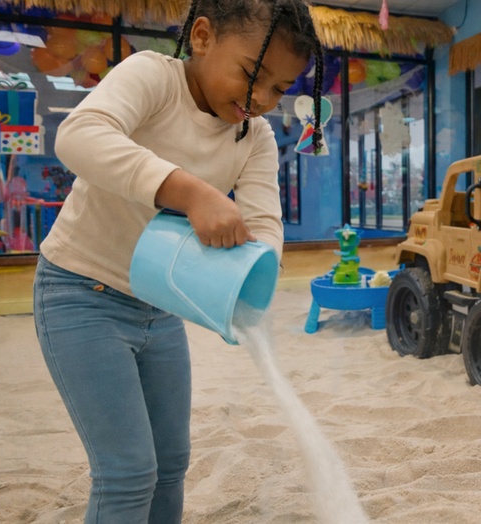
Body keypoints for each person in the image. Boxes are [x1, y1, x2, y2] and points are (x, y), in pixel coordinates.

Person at [33, 1, 324, 522]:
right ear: (205, 37)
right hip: (79, 294)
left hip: (159, 306)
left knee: (171, 463)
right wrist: (188, 192)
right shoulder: (153, 78)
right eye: (252, 75)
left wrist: (257, 272)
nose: (261, 98)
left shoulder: (253, 137)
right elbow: (79, 135)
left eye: (279, 89)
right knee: (127, 472)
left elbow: (264, 225)